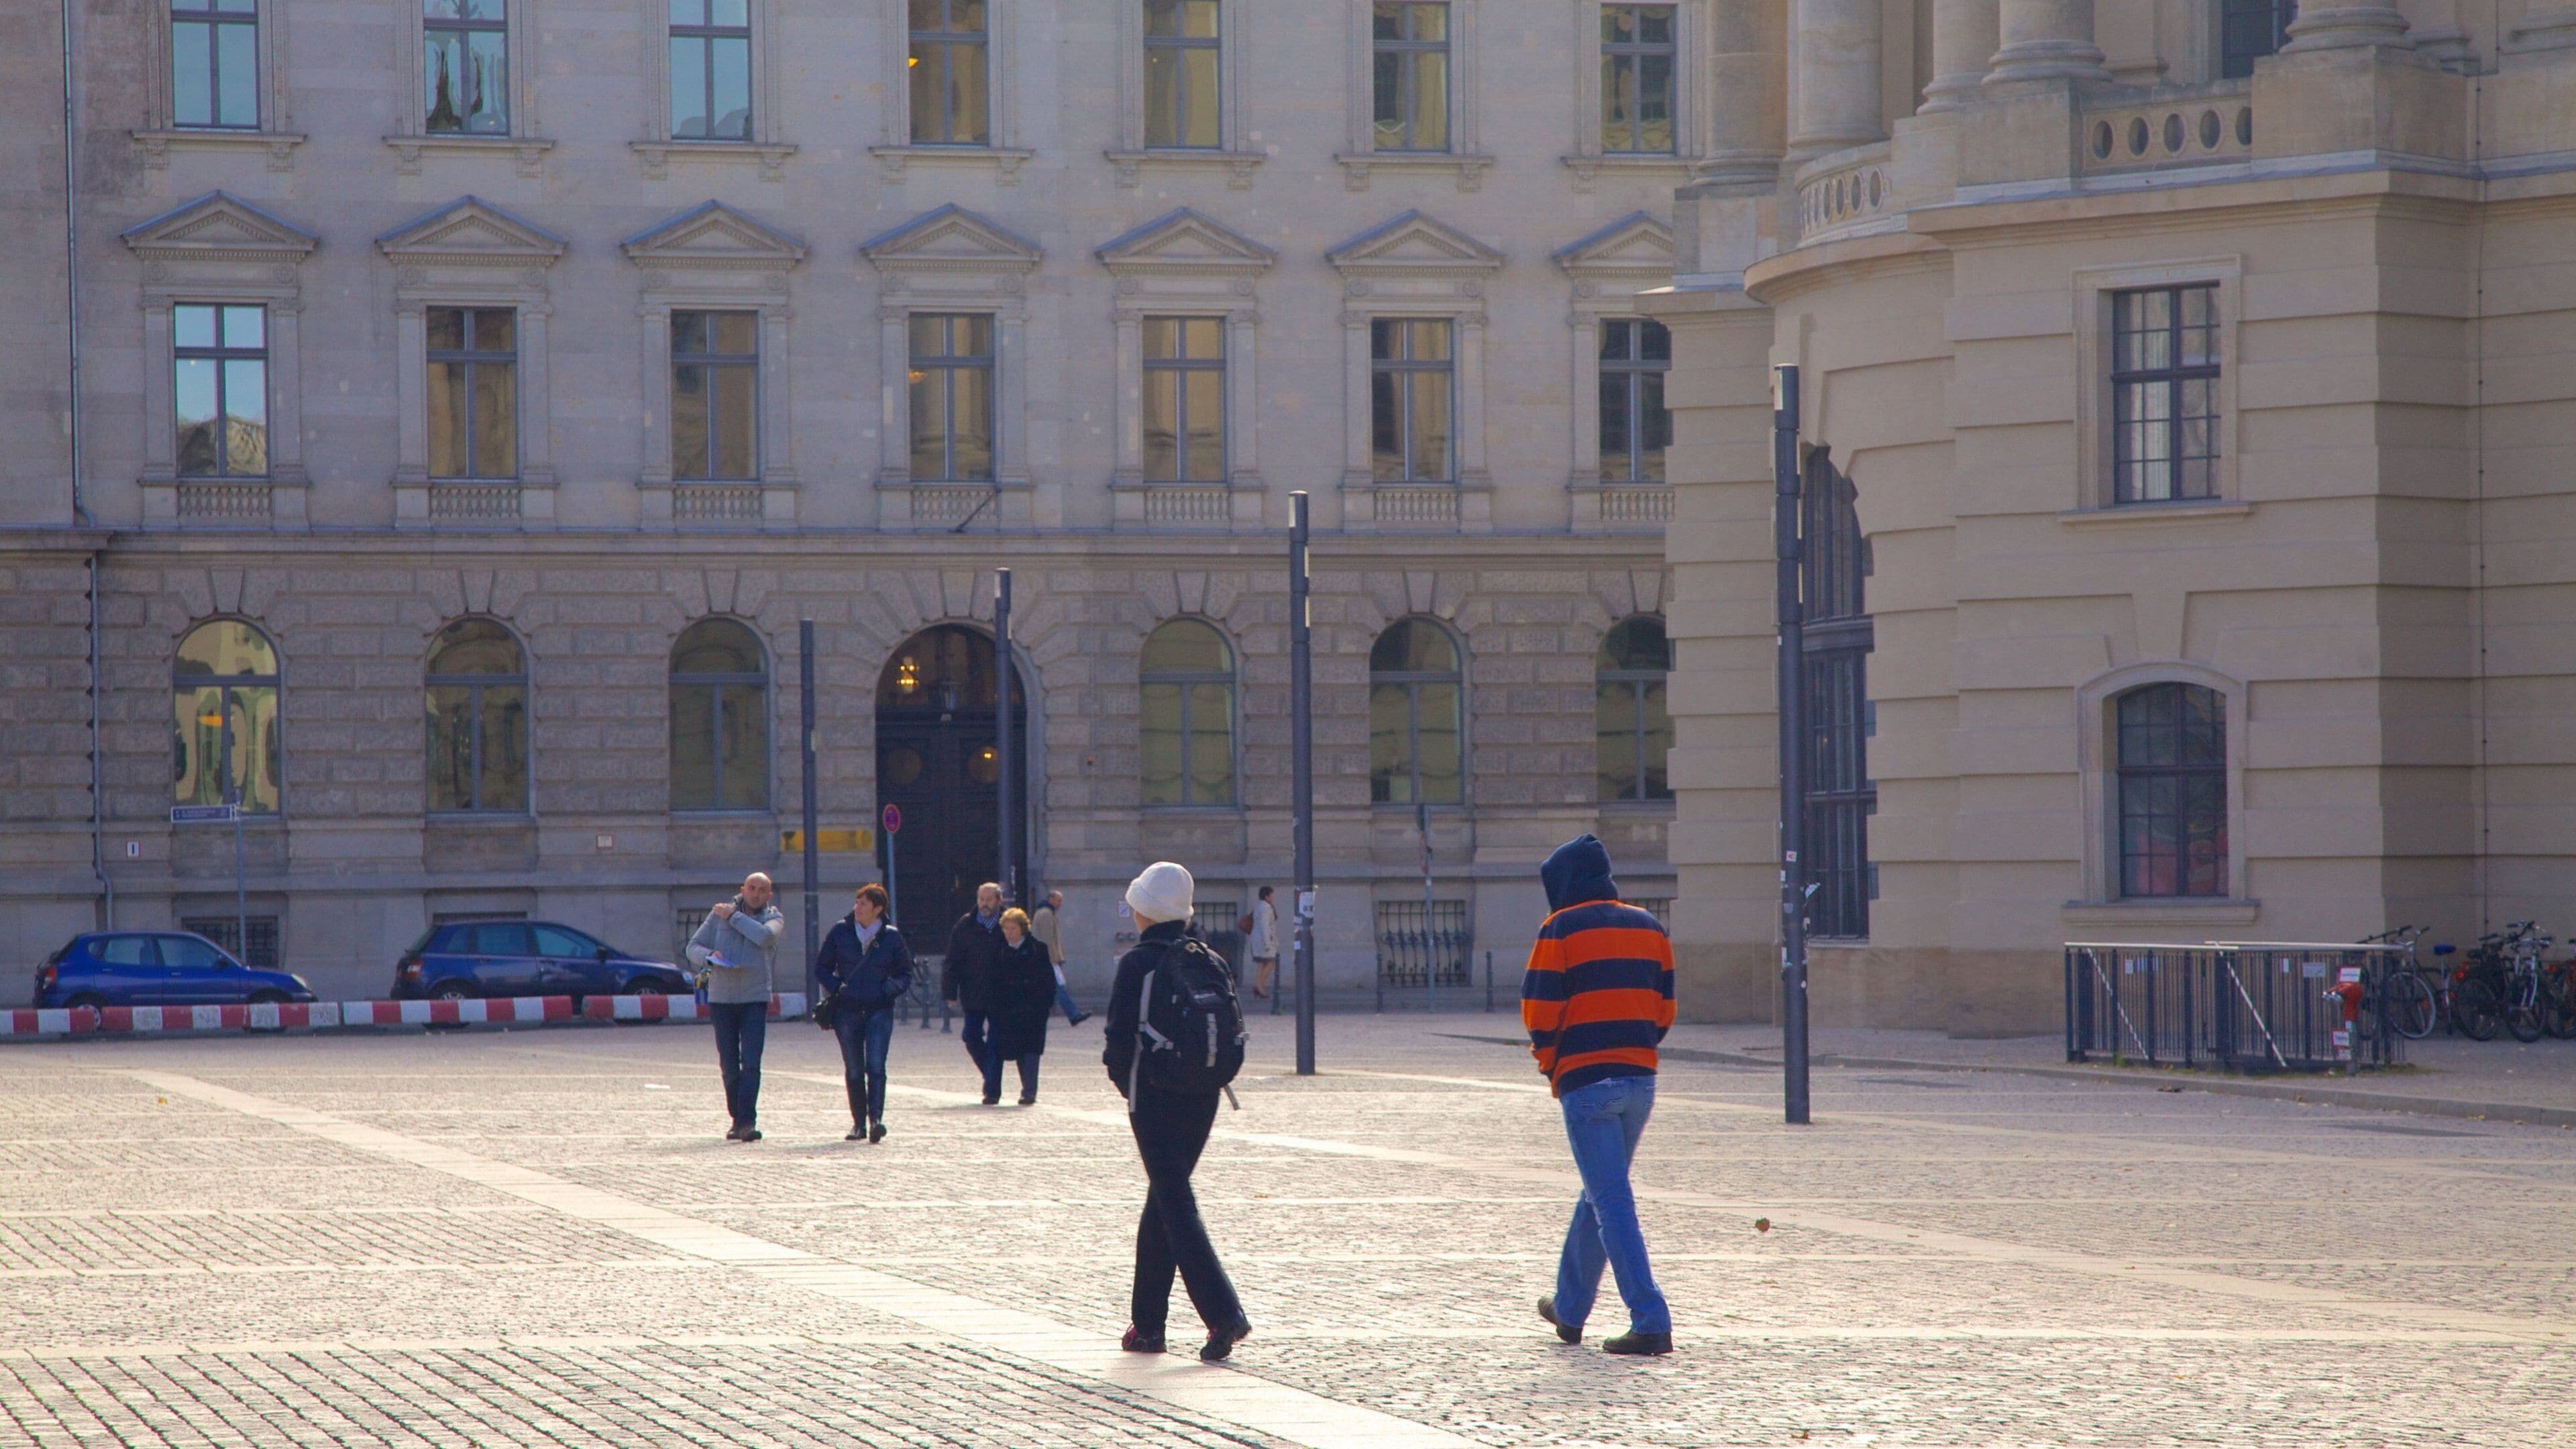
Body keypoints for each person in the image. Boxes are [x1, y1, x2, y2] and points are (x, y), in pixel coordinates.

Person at [1522, 833, 1676, 1356]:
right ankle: (1569, 1309)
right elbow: (1665, 1010)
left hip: (1587, 1083)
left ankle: (1650, 1318)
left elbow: (1539, 1012)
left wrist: (1553, 1067)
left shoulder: (1560, 928)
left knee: (1611, 1201)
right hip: (1640, 1080)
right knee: (1600, 1193)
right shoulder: (1650, 926)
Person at [1104, 861, 1252, 1362]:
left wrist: (1128, 1086)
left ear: (1144, 911)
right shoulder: (1207, 957)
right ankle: (1147, 1326)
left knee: (1176, 1205)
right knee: (1163, 1202)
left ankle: (1224, 1314)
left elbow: (1117, 1043)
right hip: (1205, 1093)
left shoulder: (1137, 964)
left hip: (1154, 1096)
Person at [688, 871, 784, 1142]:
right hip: (722, 998)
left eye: (761, 890)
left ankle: (747, 1122)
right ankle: (736, 1118)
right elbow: (692, 946)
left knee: (751, 1063)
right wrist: (709, 956)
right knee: (729, 1064)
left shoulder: (773, 918)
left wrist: (733, 916)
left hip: (754, 998)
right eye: (751, 888)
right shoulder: (718, 915)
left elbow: (764, 937)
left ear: (769, 895)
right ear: (742, 889)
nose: (755, 893)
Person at [814, 883, 913, 1142]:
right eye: (857, 902)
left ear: (877, 909)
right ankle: (858, 1123)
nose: (857, 908)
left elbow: (905, 974)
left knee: (876, 1066)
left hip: (880, 1010)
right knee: (855, 1068)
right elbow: (822, 968)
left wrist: (887, 990)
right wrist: (838, 987)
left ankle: (876, 1120)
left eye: (863, 904)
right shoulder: (840, 932)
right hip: (847, 1012)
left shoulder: (891, 937)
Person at [945, 882, 1008, 1104]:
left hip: (1001, 994)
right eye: (981, 899)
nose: (984, 904)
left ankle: (992, 1090)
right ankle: (991, 1077)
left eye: (989, 899)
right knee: (970, 1036)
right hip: (973, 993)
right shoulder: (965, 925)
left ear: (999, 901)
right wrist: (950, 992)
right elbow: (953, 960)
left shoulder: (1009, 923)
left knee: (996, 1041)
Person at [989, 906, 1055, 1104]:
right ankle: (1022, 1088)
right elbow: (992, 981)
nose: (1009, 933)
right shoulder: (999, 950)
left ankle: (1029, 1092)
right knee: (1017, 1050)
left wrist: (1044, 1006)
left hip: (1034, 1010)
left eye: (1013, 929)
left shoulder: (1037, 948)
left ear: (1022, 929)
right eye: (1006, 929)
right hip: (1009, 1011)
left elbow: (1048, 980)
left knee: (1032, 1051)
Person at [1031, 889, 1091, 1026]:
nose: (1060, 904)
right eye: (1058, 900)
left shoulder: (1043, 913)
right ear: (1051, 899)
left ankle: (1071, 1014)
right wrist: (1053, 959)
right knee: (1059, 987)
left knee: (1050, 989)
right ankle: (1073, 1014)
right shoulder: (1046, 914)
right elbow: (1047, 939)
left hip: (1044, 958)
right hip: (1048, 959)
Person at [1248, 885, 1280, 1000]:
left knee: (1262, 964)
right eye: (1271, 895)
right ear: (1266, 896)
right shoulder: (1266, 908)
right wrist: (1268, 944)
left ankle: (1258, 986)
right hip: (1263, 940)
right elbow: (1265, 926)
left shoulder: (1259, 906)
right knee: (1271, 963)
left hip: (1258, 938)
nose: (1273, 897)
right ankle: (1259, 986)